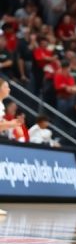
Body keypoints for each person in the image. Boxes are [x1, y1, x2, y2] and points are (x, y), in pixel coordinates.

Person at [0, 78, 21, 215]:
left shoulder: (1, 105)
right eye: (6, 87)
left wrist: (10, 125)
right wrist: (11, 124)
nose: (9, 89)